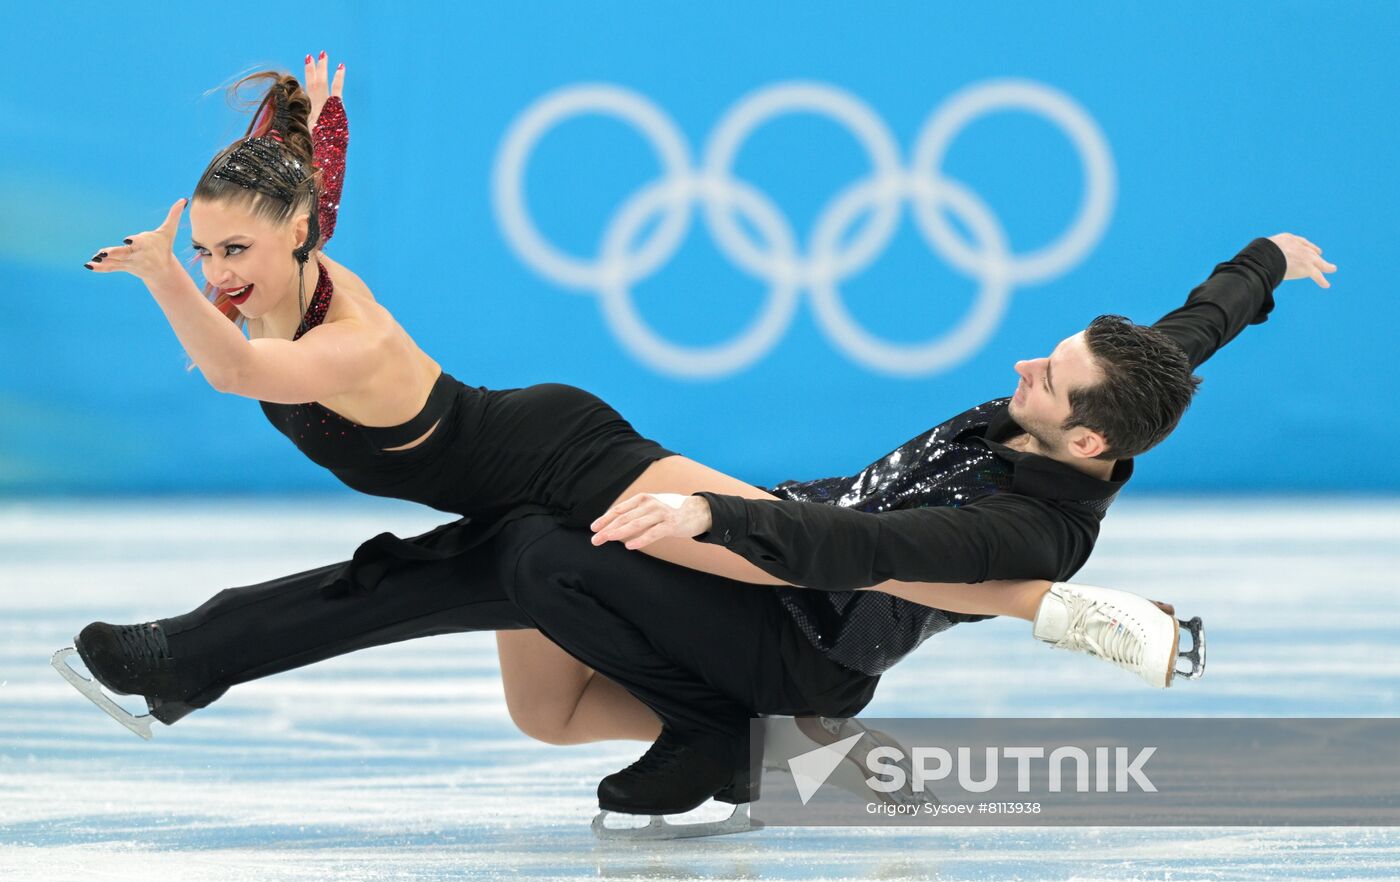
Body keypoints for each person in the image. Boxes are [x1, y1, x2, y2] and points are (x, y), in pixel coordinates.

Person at [67, 59, 1333, 816]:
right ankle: (198, 657)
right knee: (539, 696)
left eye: (1046, 379)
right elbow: (1176, 342)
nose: (1020, 365)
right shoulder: (1095, 411)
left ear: (1086, 447)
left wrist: (708, 517)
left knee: (528, 557)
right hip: (744, 561)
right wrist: (1259, 268)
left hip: (799, 632)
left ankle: (736, 741)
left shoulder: (1029, 524)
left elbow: (847, 549)